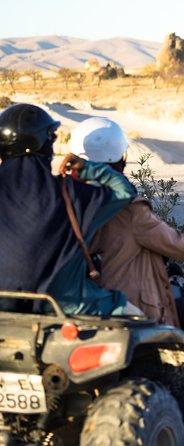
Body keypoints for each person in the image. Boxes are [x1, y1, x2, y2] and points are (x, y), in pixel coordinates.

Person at [71, 116, 184, 440]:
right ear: (121, 159)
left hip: (73, 300)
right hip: (126, 303)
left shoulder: (64, 198)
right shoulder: (129, 208)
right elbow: (180, 245)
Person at [0, 104, 137, 315]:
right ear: (45, 146)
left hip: (3, 302)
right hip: (62, 302)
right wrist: (87, 167)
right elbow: (124, 191)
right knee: (140, 320)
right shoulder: (68, 192)